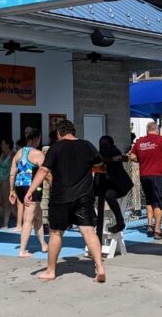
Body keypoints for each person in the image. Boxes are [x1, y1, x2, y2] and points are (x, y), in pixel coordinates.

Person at [25, 118, 106, 283]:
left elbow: (43, 170)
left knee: (56, 233)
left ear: (59, 133)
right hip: (84, 196)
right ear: (73, 131)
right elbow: (100, 164)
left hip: (61, 197)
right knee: (89, 231)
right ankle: (100, 268)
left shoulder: (56, 148)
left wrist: (30, 190)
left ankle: (50, 271)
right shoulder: (87, 145)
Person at [9, 128, 48, 257]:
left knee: (38, 216)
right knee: (28, 219)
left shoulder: (19, 152)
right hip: (32, 189)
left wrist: (11, 190)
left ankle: (43, 244)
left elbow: (12, 173)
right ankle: (23, 250)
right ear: (36, 139)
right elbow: (46, 173)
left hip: (20, 186)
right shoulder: (38, 154)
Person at [129, 121, 162, 239]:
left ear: (147, 130)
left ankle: (149, 225)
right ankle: (157, 230)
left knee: (149, 200)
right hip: (158, 175)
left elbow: (132, 157)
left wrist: (143, 161)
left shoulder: (140, 142)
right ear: (156, 130)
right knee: (158, 202)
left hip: (144, 175)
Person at [97, 135, 128, 233]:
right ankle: (93, 219)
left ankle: (120, 222)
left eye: (105, 144)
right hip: (105, 184)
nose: (103, 146)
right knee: (87, 193)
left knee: (109, 196)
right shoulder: (103, 153)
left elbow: (117, 157)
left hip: (119, 185)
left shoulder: (114, 151)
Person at [0, 137, 15, 230]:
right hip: (0, 180)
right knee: (1, 201)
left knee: (7, 202)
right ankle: (21, 218)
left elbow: (13, 168)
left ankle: (5, 223)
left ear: (7, 145)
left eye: (3, 143)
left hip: (7, 179)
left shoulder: (12, 155)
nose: (1, 145)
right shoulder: (2, 154)